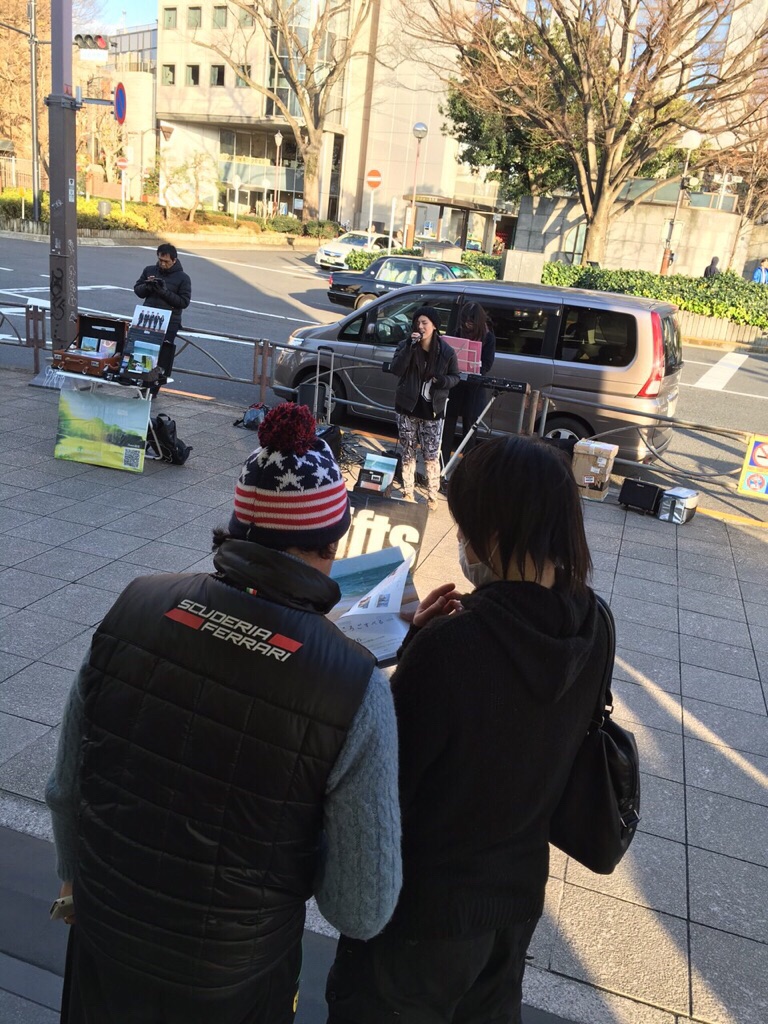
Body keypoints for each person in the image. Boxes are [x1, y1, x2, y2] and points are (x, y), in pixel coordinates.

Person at [45, 402, 402, 1024]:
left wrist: (77, 880)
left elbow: (65, 788)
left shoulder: (134, 604)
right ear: (333, 542)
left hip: (104, 951)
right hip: (236, 983)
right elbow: (361, 908)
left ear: (237, 528)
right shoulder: (355, 685)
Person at [326, 435, 608, 1024]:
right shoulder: (594, 624)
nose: (461, 541)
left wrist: (413, 649)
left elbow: (387, 781)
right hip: (516, 899)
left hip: (424, 916)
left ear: (495, 536)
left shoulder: (453, 646)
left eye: (466, 527)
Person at [390, 305, 460, 511]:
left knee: (431, 455)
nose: (420, 327)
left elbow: (456, 377)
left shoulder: (446, 352)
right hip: (407, 407)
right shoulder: (406, 345)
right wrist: (409, 347)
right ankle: (408, 492)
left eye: (424, 323)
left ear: (434, 326)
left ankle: (432, 495)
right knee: (408, 452)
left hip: (432, 410)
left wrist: (442, 381)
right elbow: (396, 369)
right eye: (417, 323)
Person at [440, 301, 496, 470]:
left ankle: (466, 470)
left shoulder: (488, 337)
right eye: (465, 320)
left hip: (474, 389)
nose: (467, 324)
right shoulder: (457, 333)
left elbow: (487, 364)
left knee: (470, 431)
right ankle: (442, 466)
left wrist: (475, 366)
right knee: (447, 428)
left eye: (471, 321)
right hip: (455, 387)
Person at [133, 242, 192, 387]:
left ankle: (153, 389)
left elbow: (184, 302)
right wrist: (148, 286)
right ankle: (142, 386)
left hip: (169, 322)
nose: (162, 264)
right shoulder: (149, 270)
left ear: (174, 260)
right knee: (142, 353)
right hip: (147, 318)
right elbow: (138, 291)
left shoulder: (183, 278)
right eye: (160, 260)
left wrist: (164, 292)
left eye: (166, 261)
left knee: (161, 359)